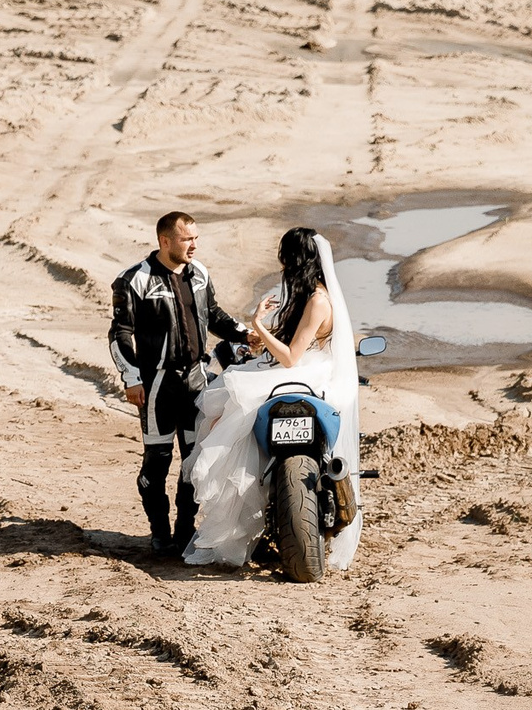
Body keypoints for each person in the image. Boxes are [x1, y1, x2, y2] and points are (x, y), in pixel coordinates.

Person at [180, 227, 367, 571]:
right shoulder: (307, 294)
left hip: (302, 373)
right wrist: (260, 338)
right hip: (304, 372)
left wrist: (258, 324)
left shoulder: (317, 300)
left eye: (284, 257)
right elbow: (291, 343)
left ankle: (235, 499)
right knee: (230, 407)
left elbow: (292, 357)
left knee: (229, 404)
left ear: (293, 259)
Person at [108, 211, 230, 555]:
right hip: (157, 386)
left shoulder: (200, 273)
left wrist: (245, 335)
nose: (194, 245)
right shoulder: (134, 279)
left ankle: (185, 531)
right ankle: (160, 533)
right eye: (186, 239)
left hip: (196, 383)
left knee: (194, 461)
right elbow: (120, 333)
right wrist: (131, 378)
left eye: (195, 238)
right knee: (157, 463)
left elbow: (214, 314)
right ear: (165, 241)